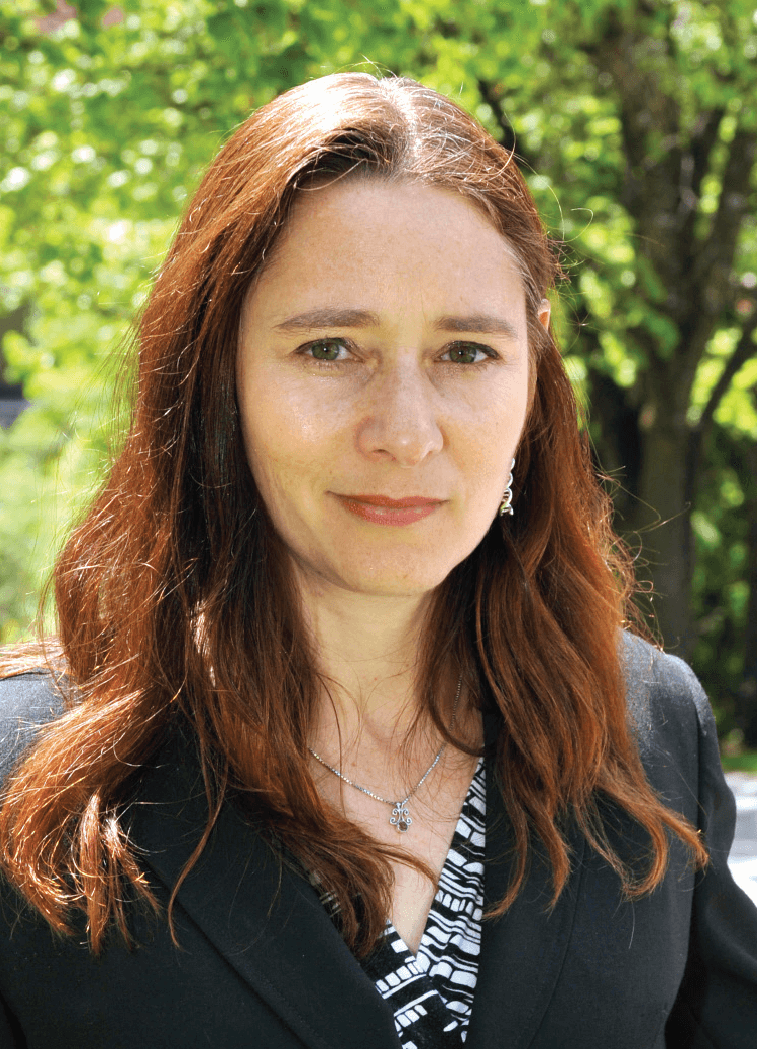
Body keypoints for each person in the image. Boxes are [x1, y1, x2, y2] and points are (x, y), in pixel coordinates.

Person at [0, 72, 755, 1049]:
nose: (405, 431)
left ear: (532, 386)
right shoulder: (30, 775)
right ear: (213, 381)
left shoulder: (646, 729)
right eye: (329, 347)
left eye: (465, 353)